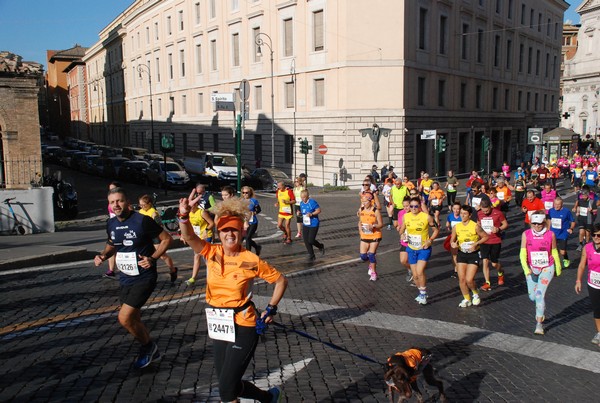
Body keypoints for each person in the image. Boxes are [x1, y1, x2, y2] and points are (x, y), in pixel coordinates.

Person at [177, 196, 288, 402]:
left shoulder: (250, 259)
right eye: (225, 230)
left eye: (234, 230)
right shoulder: (211, 252)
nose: (229, 234)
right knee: (228, 384)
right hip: (219, 323)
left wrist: (270, 309)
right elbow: (189, 236)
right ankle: (268, 398)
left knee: (226, 389)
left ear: (242, 232)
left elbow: (281, 281)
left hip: (243, 324)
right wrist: (184, 215)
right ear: (218, 233)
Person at [94, 187, 172, 368]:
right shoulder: (111, 223)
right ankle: (151, 350)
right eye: (112, 202)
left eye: (120, 201)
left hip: (144, 277)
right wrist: (103, 256)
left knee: (125, 318)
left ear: (127, 202)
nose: (116, 205)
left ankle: (149, 346)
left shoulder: (142, 221)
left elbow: (167, 239)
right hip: (125, 277)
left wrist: (152, 258)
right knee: (134, 318)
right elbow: (112, 243)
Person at [520, 211, 562, 335]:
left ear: (544, 223)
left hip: (547, 267)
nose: (537, 226)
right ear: (530, 223)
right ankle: (540, 306)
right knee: (532, 296)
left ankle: (539, 324)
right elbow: (522, 254)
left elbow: (554, 251)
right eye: (534, 224)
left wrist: (558, 268)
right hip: (532, 268)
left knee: (539, 295)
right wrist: (527, 270)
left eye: (540, 224)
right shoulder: (526, 234)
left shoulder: (551, 235)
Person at [399, 197, 440, 305]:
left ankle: (423, 293)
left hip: (423, 248)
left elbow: (436, 230)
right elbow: (401, 229)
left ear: (420, 207)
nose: (413, 208)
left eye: (415, 206)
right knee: (415, 275)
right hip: (411, 248)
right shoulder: (406, 217)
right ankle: (421, 291)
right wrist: (402, 234)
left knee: (420, 271)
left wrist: (430, 240)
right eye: (411, 206)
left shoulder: (426, 217)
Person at [451, 205, 489, 307]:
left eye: (465, 214)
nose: (462, 215)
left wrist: (476, 244)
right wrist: (453, 244)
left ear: (470, 215)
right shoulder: (456, 227)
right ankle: (466, 298)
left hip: (473, 254)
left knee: (469, 279)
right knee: (462, 279)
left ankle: (475, 293)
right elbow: (452, 239)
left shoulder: (475, 226)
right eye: (461, 213)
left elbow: (485, 237)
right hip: (462, 254)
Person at [137, 194, 178, 283]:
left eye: (144, 205)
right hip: (145, 237)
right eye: (140, 205)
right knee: (144, 255)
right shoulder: (140, 212)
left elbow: (160, 226)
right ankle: (147, 275)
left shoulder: (153, 213)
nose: (142, 207)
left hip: (155, 237)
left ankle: (172, 270)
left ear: (149, 204)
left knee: (162, 255)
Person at [575, 222, 600, 345]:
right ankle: (599, 333)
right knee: (597, 310)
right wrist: (578, 280)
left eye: (599, 235)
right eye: (594, 235)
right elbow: (581, 265)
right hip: (593, 284)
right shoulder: (587, 248)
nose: (596, 237)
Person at [478, 199, 508, 291]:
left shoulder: (498, 213)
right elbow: (478, 224)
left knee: (494, 263)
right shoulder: (479, 214)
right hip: (484, 240)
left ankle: (500, 272)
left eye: (487, 210)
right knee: (485, 261)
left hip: (495, 241)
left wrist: (498, 229)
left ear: (490, 206)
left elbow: (505, 224)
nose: (485, 212)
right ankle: (487, 282)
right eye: (483, 211)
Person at [184, 194, 215, 286]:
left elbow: (211, 223)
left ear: (196, 204)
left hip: (206, 236)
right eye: (189, 205)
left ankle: (211, 277)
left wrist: (206, 230)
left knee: (205, 257)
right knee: (197, 256)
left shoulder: (202, 212)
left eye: (192, 205)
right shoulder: (189, 213)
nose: (190, 207)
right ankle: (193, 278)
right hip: (197, 237)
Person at [358, 191, 383, 281]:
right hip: (364, 235)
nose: (363, 203)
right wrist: (360, 229)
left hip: (374, 235)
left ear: (370, 201)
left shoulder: (375, 211)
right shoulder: (361, 210)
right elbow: (360, 222)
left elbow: (380, 224)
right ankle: (371, 264)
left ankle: (373, 273)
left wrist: (373, 226)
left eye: (365, 202)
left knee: (371, 255)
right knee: (363, 256)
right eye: (362, 201)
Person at [547, 197, 575, 268]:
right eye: (555, 204)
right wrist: (547, 229)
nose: (556, 206)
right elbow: (549, 220)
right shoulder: (551, 211)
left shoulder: (566, 211)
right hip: (553, 233)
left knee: (562, 252)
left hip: (563, 234)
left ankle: (566, 258)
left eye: (558, 204)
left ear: (562, 204)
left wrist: (571, 228)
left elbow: (572, 221)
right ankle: (555, 264)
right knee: (553, 250)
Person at [299, 189, 325, 261]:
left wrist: (312, 214)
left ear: (307, 197)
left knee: (311, 240)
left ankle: (320, 246)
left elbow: (319, 210)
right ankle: (311, 255)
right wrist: (300, 213)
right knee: (306, 240)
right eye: (301, 197)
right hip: (306, 224)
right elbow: (303, 212)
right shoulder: (301, 203)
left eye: (304, 197)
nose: (302, 199)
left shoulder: (312, 202)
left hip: (313, 223)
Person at [103, 181, 121, 279]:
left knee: (119, 248)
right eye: (110, 189)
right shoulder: (111, 199)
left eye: (113, 189)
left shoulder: (122, 200)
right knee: (111, 248)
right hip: (113, 226)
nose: (111, 191)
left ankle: (122, 268)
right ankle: (111, 270)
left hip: (120, 226)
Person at [242, 186, 262, 256]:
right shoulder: (241, 201)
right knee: (246, 238)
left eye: (246, 193)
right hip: (244, 222)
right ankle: (257, 247)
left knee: (248, 238)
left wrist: (254, 213)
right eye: (243, 193)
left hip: (253, 222)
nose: (245, 194)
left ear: (250, 193)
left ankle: (248, 254)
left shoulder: (253, 201)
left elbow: (259, 210)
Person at [397, 197, 413, 282]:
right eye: (404, 206)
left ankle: (416, 276)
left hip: (414, 241)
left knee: (414, 261)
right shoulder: (400, 213)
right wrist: (399, 228)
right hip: (404, 241)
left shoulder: (415, 214)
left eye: (407, 206)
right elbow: (400, 225)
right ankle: (411, 270)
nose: (405, 208)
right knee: (403, 261)